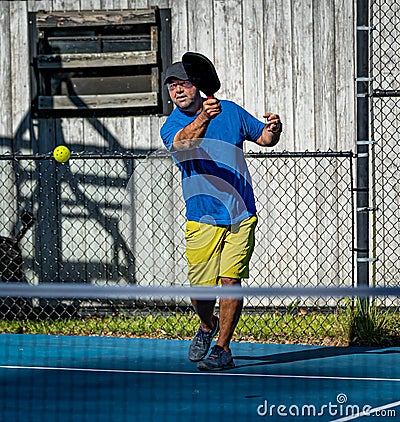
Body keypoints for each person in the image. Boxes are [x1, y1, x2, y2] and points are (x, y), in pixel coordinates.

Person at [160, 60, 282, 371]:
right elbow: (184, 144)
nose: (177, 89)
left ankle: (223, 348)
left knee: (231, 282)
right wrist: (203, 116)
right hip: (202, 218)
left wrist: (273, 129)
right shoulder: (171, 125)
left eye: (183, 83)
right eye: (172, 85)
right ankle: (206, 324)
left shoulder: (230, 111)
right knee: (201, 293)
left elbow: (265, 139)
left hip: (241, 214)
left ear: (197, 84)